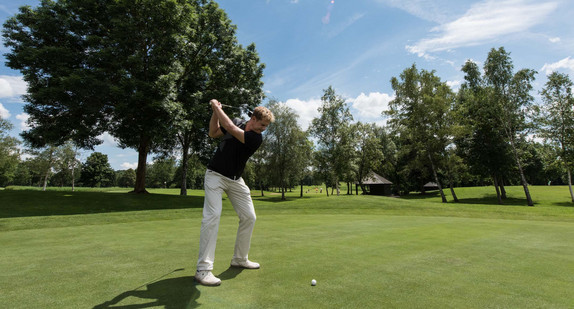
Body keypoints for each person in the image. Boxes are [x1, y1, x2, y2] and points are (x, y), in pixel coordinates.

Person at [195, 99, 275, 286]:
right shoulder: (240, 122)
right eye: (262, 124)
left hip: (236, 180)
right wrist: (216, 112)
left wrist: (216, 107)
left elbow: (229, 126)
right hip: (215, 175)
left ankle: (240, 258)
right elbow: (213, 132)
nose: (263, 129)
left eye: (266, 126)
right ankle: (203, 269)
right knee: (212, 216)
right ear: (253, 119)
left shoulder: (256, 138)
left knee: (249, 216)